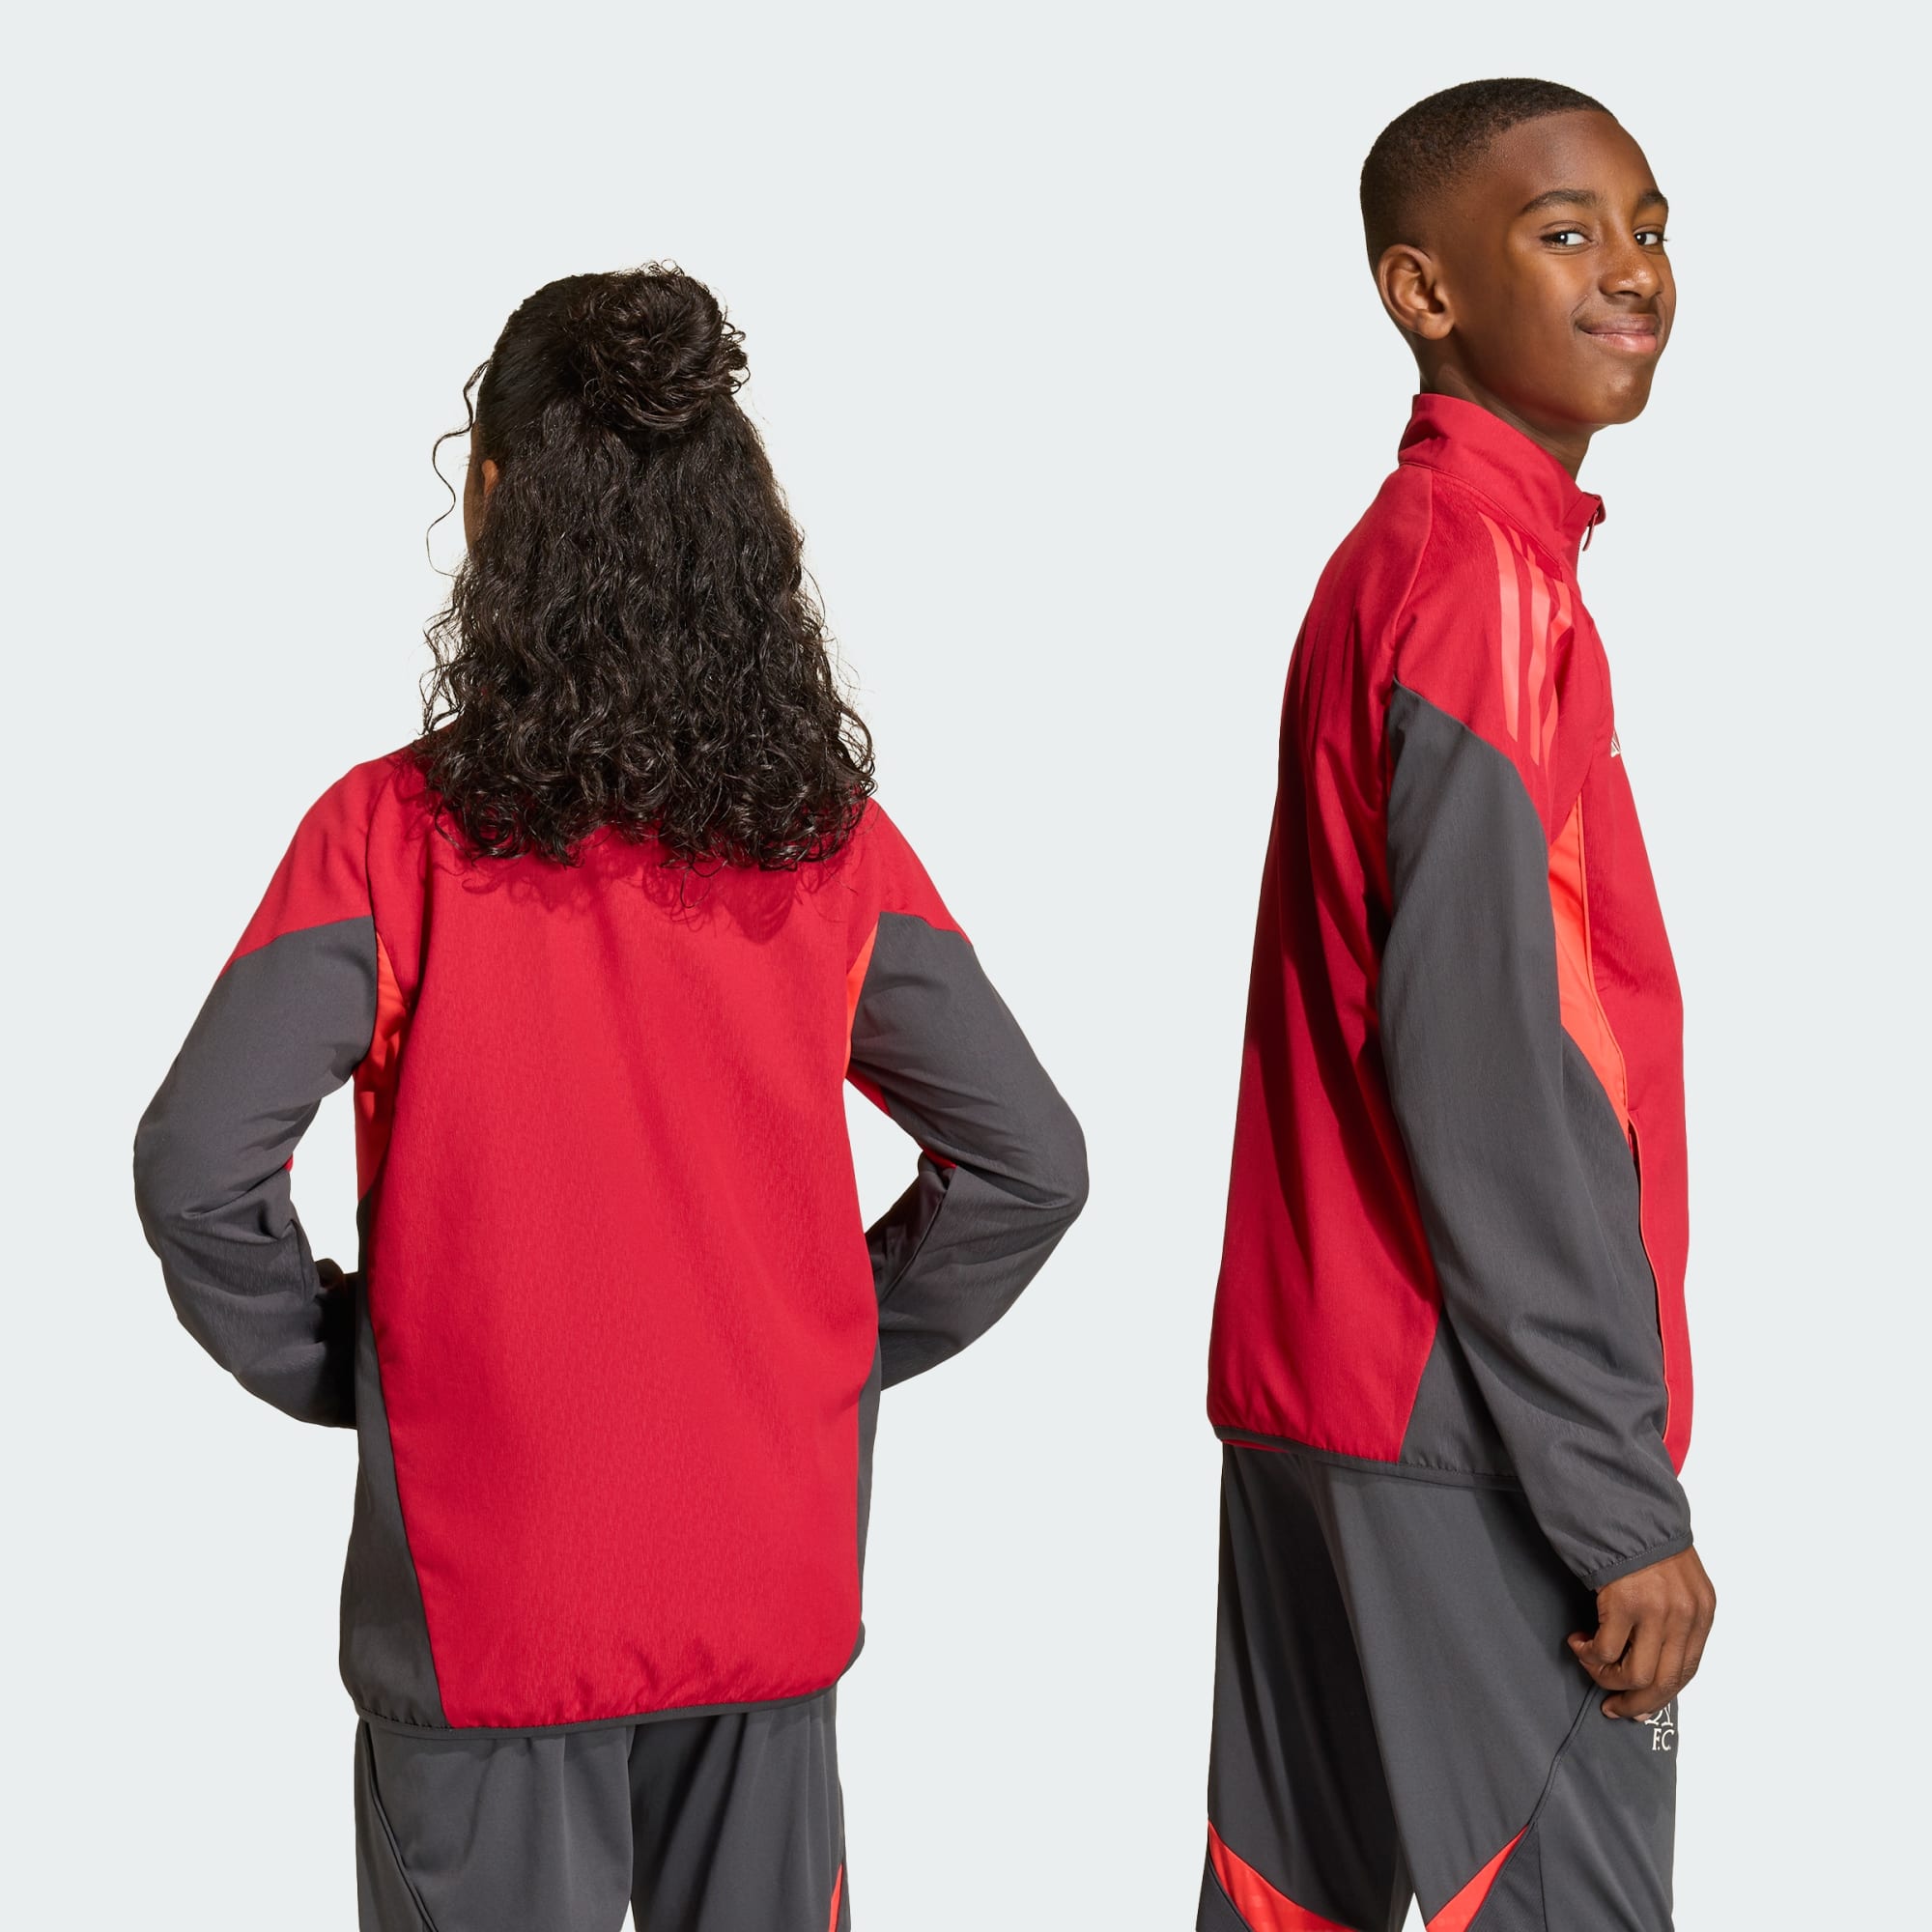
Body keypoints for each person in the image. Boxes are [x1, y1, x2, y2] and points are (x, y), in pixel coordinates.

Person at [131, 264, 1088, 1932]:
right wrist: (821, 1349)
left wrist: (368, 1368)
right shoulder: (833, 851)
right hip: (765, 1575)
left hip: (489, 1593)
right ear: (733, 531)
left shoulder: (387, 842)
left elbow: (198, 1174)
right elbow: (1031, 1166)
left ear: (495, 497)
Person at [1199, 81, 1717, 1932]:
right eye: (1565, 233)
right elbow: (1492, 1070)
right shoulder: (1477, 584)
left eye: (1649, 228)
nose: (1631, 271)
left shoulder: (1411, 562)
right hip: (1466, 1425)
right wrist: (1616, 1501)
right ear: (1423, 291)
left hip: (1319, 1389)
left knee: (1288, 1907)